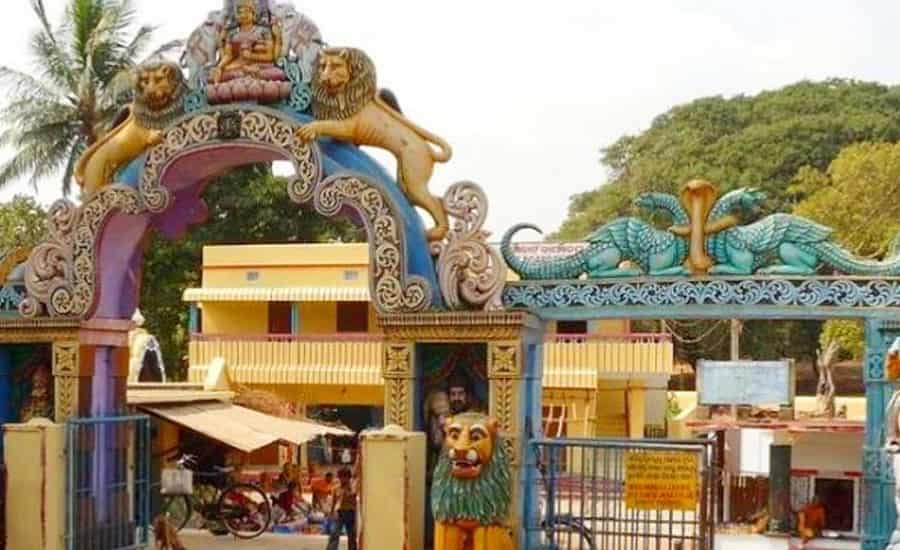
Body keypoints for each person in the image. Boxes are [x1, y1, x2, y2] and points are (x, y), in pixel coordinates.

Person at [327, 468, 357, 550]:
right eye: (341, 477)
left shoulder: (352, 487)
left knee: (351, 535)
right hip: (340, 513)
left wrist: (348, 491)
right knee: (334, 533)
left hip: (350, 513)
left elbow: (353, 497)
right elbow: (333, 502)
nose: (343, 479)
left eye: (345, 477)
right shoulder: (336, 488)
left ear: (348, 478)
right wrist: (331, 513)